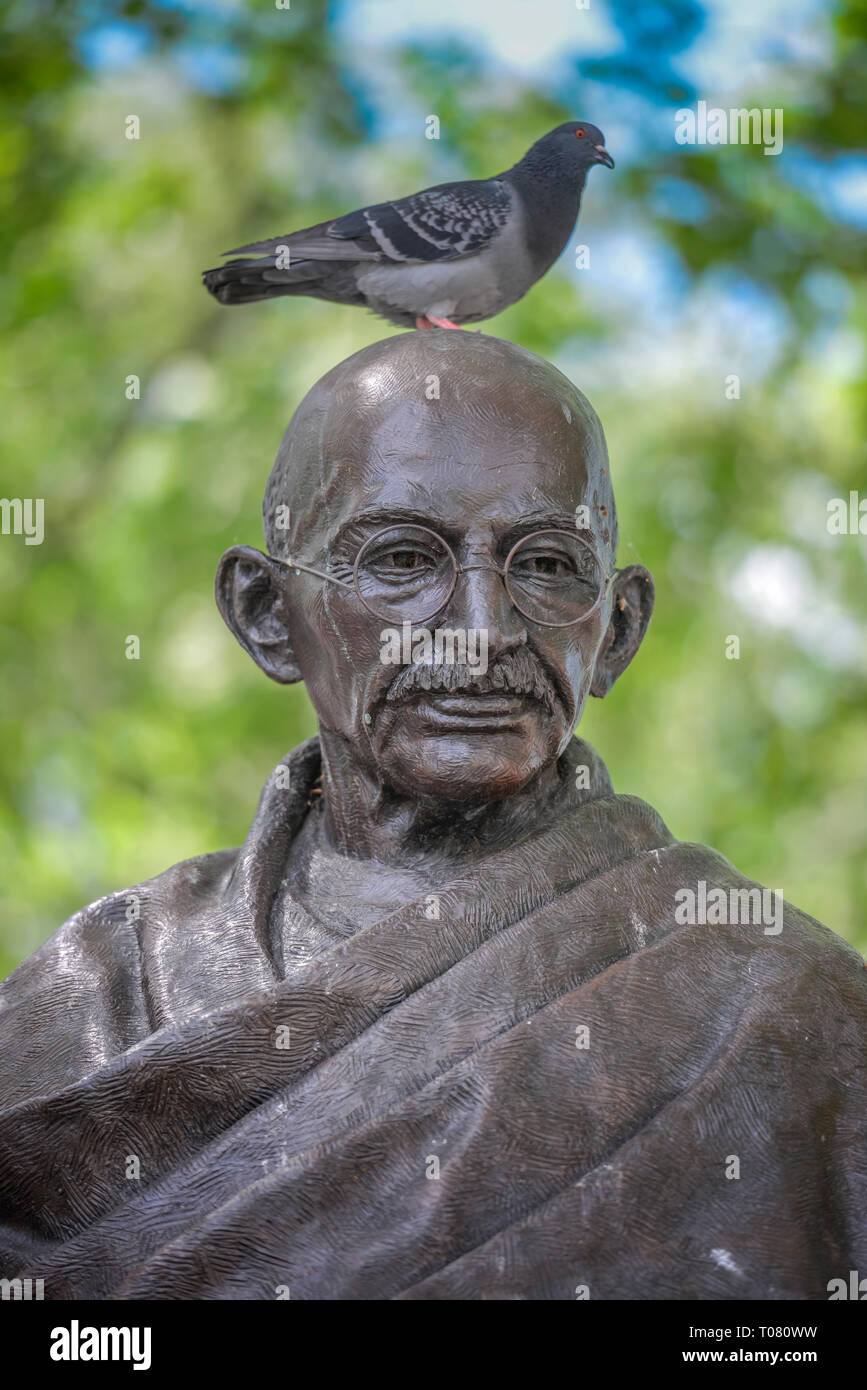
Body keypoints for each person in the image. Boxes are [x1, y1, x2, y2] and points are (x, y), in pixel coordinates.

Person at [1, 332, 864, 1301]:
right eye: (404, 558)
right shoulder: (99, 990)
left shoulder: (778, 1001)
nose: (483, 631)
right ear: (267, 612)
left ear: (615, 631)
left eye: (547, 565)